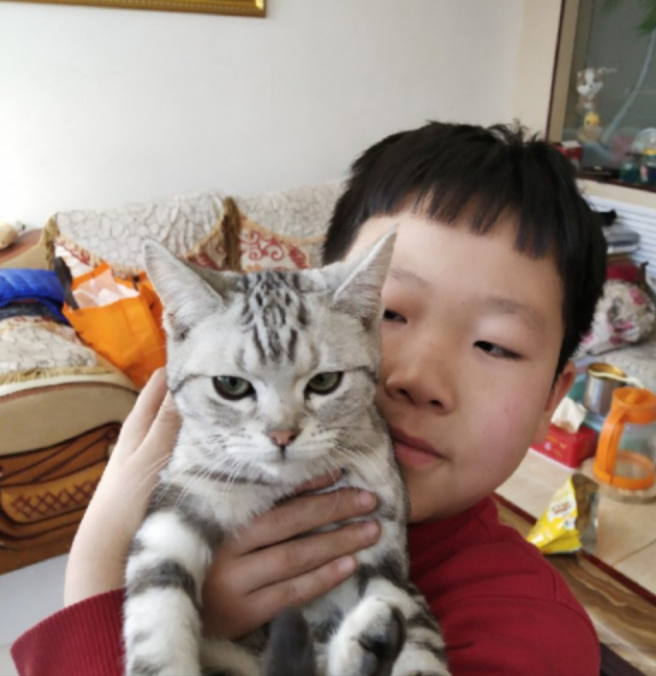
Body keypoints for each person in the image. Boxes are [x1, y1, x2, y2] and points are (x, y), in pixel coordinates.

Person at [12, 122, 606, 675]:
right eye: (387, 313)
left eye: (495, 344)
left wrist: (96, 589)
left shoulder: (538, 638)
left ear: (552, 401)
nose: (418, 378)